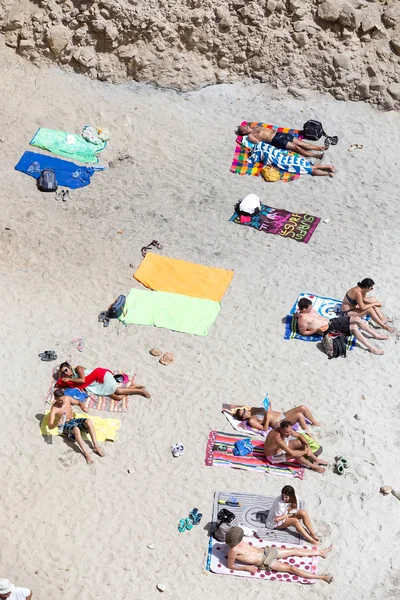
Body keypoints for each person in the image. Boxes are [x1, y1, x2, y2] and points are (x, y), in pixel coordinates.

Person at [226, 527, 333, 583]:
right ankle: (322, 577)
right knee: (292, 568)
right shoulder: (233, 551)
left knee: (293, 550)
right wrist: (246, 568)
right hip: (264, 561)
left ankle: (320, 552)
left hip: (267, 551)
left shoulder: (240, 540)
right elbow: (230, 566)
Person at [296, 297, 387, 355]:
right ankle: (372, 348)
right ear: (304, 309)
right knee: (354, 328)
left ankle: (376, 335)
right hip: (327, 329)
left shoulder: (308, 310)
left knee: (356, 319)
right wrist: (316, 330)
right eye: (309, 307)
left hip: (332, 321)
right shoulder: (302, 320)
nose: (311, 307)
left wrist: (296, 313)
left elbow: (297, 312)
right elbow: (303, 332)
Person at [48, 389, 104, 465]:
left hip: (73, 420)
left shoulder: (67, 398)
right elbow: (50, 426)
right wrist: (56, 424)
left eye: (64, 398)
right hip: (65, 424)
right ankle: (86, 454)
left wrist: (82, 406)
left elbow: (78, 402)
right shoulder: (54, 409)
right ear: (55, 399)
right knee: (76, 429)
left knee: (88, 421)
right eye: (60, 400)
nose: (63, 401)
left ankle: (96, 447)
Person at [57, 362, 150, 400]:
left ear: (69, 367)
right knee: (118, 398)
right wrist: (65, 379)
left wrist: (69, 378)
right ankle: (132, 388)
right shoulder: (70, 381)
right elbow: (60, 385)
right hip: (96, 386)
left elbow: (82, 380)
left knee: (118, 391)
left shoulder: (78, 368)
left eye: (66, 370)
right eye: (63, 373)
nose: (65, 373)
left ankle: (140, 391)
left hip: (100, 376)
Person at [236, 124, 327, 158]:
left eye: (244, 125)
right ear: (243, 131)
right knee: (296, 147)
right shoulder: (251, 136)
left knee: (300, 142)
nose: (245, 126)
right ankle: (316, 155)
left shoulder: (255, 126)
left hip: (280, 134)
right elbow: (259, 144)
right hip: (275, 140)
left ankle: (319, 148)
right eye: (243, 127)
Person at [231, 402, 321, 433]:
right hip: (279, 423)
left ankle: (315, 423)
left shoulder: (253, 410)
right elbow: (264, 429)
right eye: (243, 414)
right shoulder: (252, 420)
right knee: (299, 415)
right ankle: (308, 433)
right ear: (243, 418)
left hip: (282, 415)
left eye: (243, 410)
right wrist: (267, 415)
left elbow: (270, 411)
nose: (244, 412)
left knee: (302, 407)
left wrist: (269, 405)